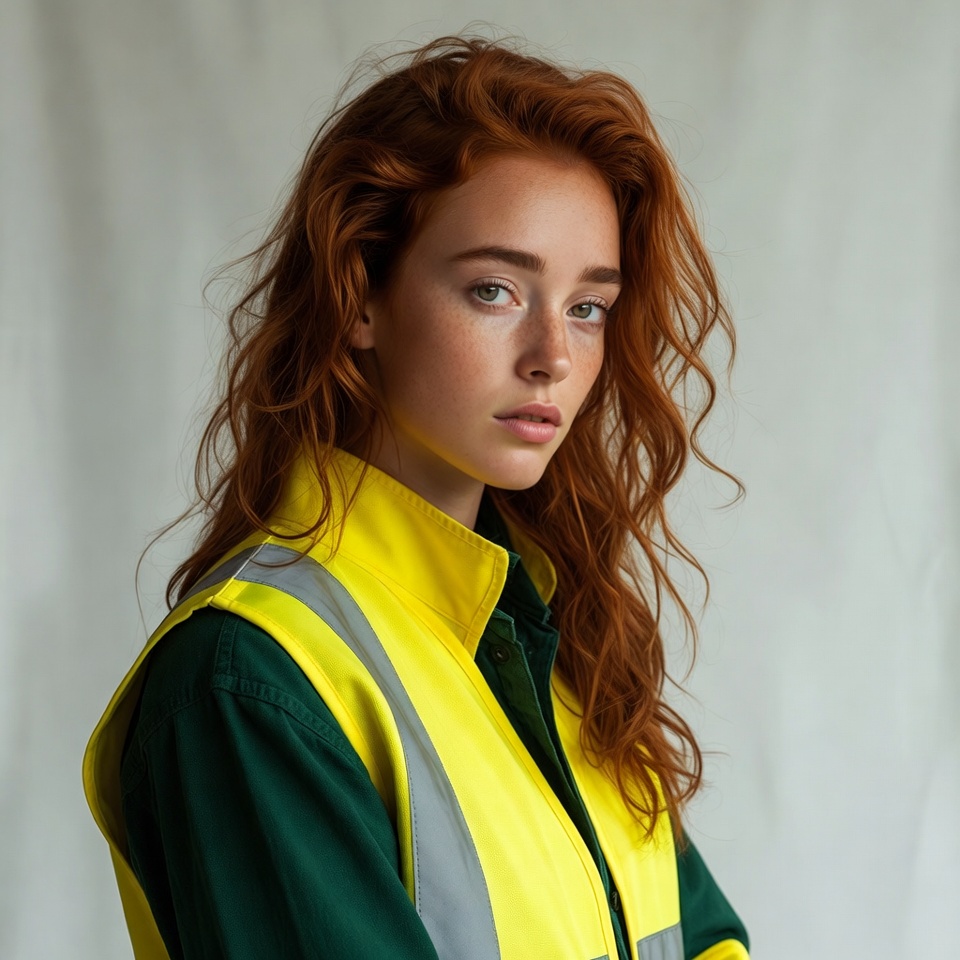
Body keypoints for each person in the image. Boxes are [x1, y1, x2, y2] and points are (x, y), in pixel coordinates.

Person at [84, 35, 750, 960]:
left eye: (588, 306)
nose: (553, 355)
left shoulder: (554, 646)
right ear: (359, 295)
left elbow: (708, 939)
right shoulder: (254, 679)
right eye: (494, 289)